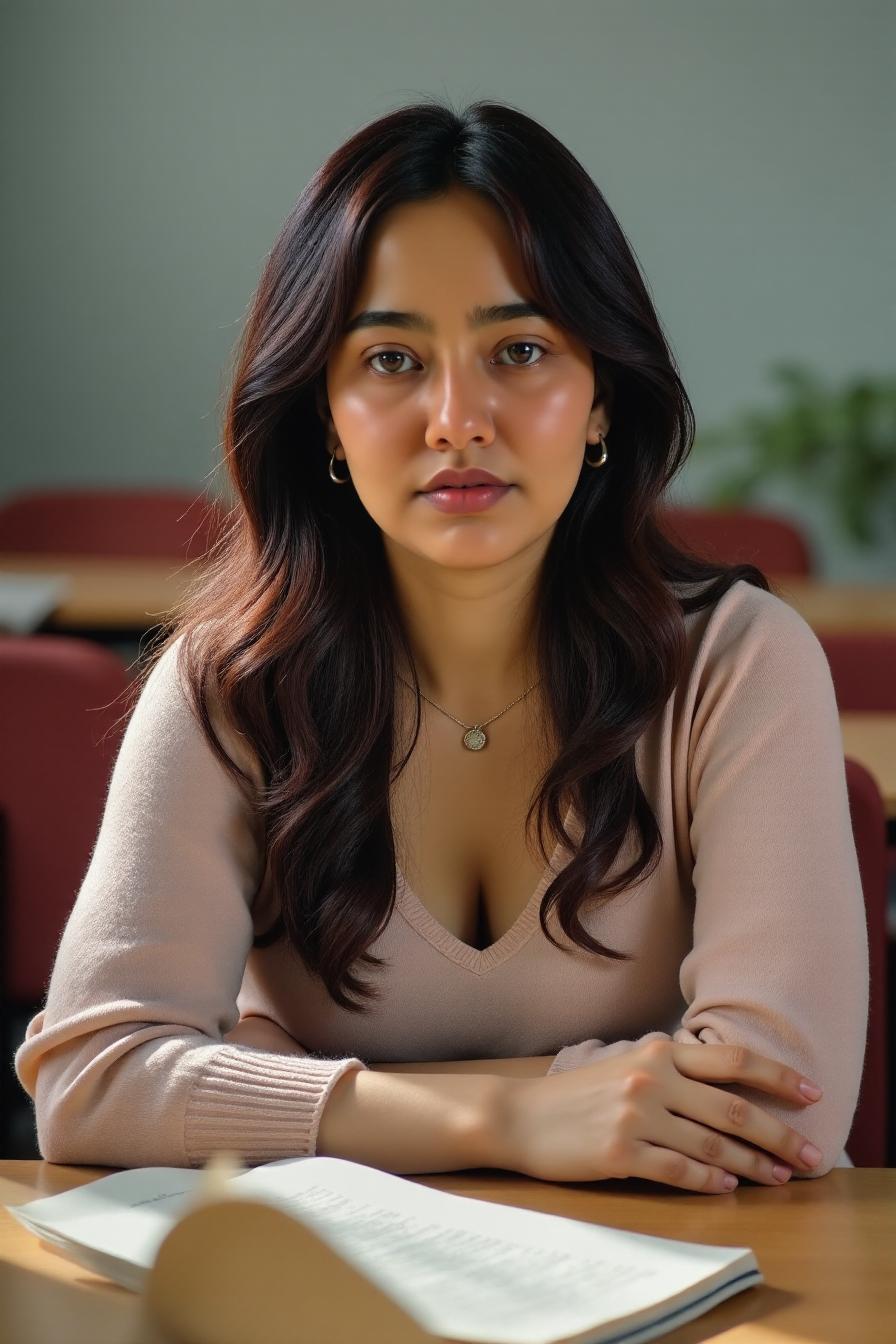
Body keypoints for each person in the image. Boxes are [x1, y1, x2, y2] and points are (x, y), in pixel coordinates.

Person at [15, 99, 868, 1194]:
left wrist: (281, 1084)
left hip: (698, 1270)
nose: (457, 418)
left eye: (520, 350)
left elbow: (777, 1109)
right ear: (325, 414)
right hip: (336, 1275)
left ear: (601, 398)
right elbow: (89, 1083)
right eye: (391, 358)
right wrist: (510, 1117)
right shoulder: (230, 683)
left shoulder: (740, 663)